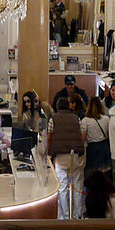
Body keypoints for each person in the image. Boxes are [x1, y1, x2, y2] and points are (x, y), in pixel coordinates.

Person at [47, 90, 85, 220]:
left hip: (61, 156)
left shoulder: (53, 119)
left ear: (57, 108)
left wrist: (49, 153)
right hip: (76, 156)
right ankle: (77, 215)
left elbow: (49, 137)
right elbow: (80, 135)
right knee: (77, 187)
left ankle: (65, 216)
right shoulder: (77, 118)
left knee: (62, 187)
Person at [81, 96, 112, 178]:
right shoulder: (106, 119)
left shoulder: (85, 120)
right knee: (104, 174)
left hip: (92, 149)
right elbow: (109, 136)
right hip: (104, 147)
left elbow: (83, 138)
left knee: (92, 175)